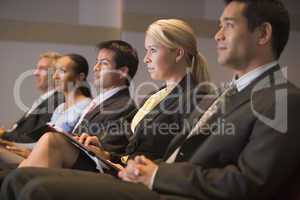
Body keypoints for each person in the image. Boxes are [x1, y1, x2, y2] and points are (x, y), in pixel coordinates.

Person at [2, 0, 300, 200]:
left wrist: (156, 174)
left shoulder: (282, 98)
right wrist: (121, 159)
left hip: (172, 191)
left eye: (228, 26)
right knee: (21, 181)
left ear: (262, 34)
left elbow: (249, 183)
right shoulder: (230, 93)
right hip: (153, 177)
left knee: (36, 187)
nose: (217, 34)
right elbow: (182, 152)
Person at [16, 19, 210, 172]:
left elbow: (174, 155)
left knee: (52, 144)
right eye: (146, 51)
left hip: (134, 175)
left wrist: (120, 162)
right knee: (37, 163)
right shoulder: (155, 95)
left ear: (177, 54)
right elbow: (128, 143)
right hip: (118, 165)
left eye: (153, 50)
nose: (146, 58)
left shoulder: (194, 98)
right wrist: (103, 150)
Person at [0, 52, 64, 143]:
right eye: (37, 68)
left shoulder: (56, 101)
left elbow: (35, 139)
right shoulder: (46, 100)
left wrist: (3, 134)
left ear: (56, 74)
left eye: (42, 69)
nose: (35, 73)